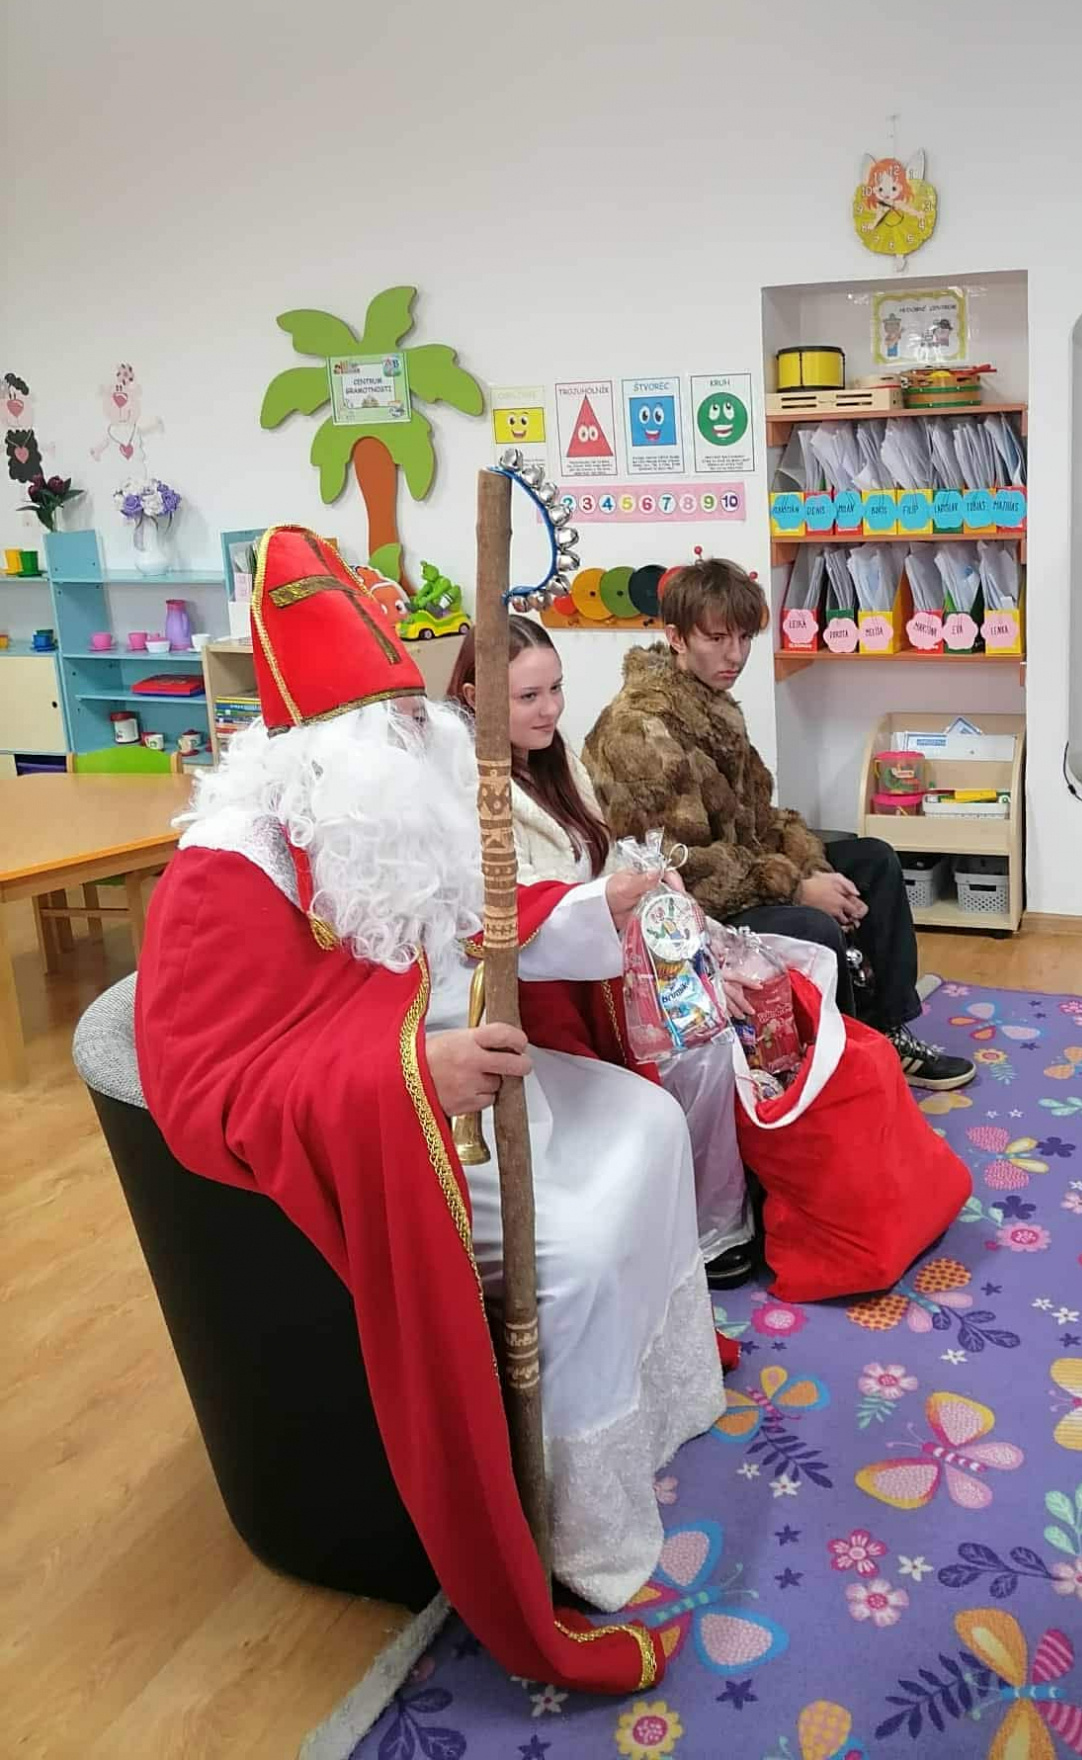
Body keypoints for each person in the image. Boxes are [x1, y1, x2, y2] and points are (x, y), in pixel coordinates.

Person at [135, 526, 727, 1696]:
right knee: (575, 1251)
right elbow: (202, 1086)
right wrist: (411, 1072)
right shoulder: (231, 866)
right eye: (402, 721)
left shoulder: (389, 816)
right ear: (336, 749)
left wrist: (601, 904)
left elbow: (478, 923)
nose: (427, 733)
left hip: (481, 1076)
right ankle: (574, 1525)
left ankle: (653, 1410)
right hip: (407, 1132)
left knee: (648, 1124)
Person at [583, 557, 975, 1091]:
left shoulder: (711, 704)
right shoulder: (639, 730)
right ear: (676, 638)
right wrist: (795, 887)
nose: (736, 655)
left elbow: (759, 819)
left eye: (745, 637)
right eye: (717, 638)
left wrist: (808, 865)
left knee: (874, 860)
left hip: (740, 872)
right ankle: (837, 1069)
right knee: (813, 925)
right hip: (682, 906)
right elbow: (679, 869)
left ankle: (884, 1032)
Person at [447, 618, 758, 1286]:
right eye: (529, 697)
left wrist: (654, 891)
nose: (551, 709)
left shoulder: (554, 762)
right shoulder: (468, 789)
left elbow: (608, 855)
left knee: (761, 992)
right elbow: (509, 910)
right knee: (702, 1045)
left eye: (556, 689)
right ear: (474, 697)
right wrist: (625, 907)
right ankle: (703, 1227)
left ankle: (727, 1204)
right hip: (551, 990)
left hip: (608, 955)